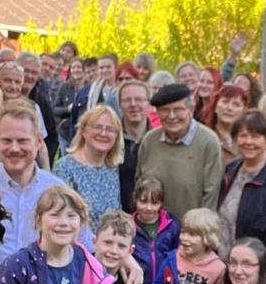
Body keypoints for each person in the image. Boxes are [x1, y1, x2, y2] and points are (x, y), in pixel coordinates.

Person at [0, 101, 65, 263]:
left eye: (22, 141)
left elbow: (83, 245)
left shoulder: (57, 191)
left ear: (39, 142)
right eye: (6, 141)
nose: (14, 148)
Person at [217, 110, 266, 284]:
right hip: (226, 266)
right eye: (243, 136)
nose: (248, 142)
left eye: (255, 136)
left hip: (259, 273)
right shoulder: (231, 169)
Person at [138, 83, 224, 221]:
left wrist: (198, 229)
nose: (171, 116)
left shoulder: (208, 141)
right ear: (157, 112)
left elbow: (211, 194)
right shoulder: (149, 140)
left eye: (178, 109)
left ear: (191, 109)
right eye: (165, 110)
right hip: (153, 228)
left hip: (192, 229)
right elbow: (140, 185)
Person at [55, 102, 126, 230]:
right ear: (84, 131)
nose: (103, 133)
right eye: (97, 127)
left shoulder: (112, 168)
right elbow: (62, 217)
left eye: (110, 129)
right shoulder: (65, 168)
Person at [116, 77, 152, 210]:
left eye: (139, 99)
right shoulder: (109, 139)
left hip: (151, 214)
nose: (133, 104)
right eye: (127, 100)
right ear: (119, 104)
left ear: (149, 104)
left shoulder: (159, 140)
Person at [208, 82, 250, 165]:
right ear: (215, 106)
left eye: (236, 105)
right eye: (225, 102)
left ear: (244, 111)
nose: (229, 108)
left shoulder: (249, 139)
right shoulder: (206, 136)